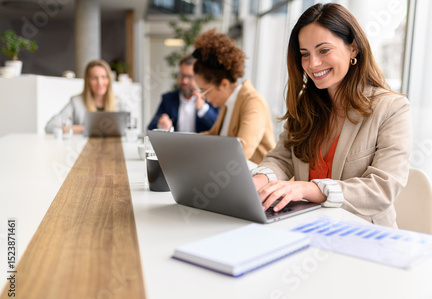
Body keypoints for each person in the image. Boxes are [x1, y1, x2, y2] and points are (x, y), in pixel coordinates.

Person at [252, 3, 412, 228]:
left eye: (324, 50)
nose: (313, 63)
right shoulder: (306, 106)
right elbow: (283, 158)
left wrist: (310, 189)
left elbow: (382, 189)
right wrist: (259, 180)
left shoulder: (392, 108)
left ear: (353, 48)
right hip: (307, 228)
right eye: (305, 54)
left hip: (364, 235)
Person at [192, 29, 276, 164]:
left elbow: (243, 150)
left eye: (204, 90)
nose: (203, 97)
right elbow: (214, 136)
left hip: (261, 181)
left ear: (224, 84)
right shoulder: (229, 103)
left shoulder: (253, 101)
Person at [45, 59, 129, 134]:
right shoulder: (76, 101)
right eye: (94, 78)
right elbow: (50, 126)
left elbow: (130, 128)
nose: (100, 83)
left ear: (109, 79)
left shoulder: (120, 101)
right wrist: (81, 129)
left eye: (104, 77)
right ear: (88, 81)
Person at [147, 55, 219, 133]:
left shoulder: (209, 98)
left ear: (198, 78)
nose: (184, 81)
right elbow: (150, 128)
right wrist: (160, 124)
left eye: (189, 77)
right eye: (182, 75)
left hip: (201, 145)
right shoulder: (168, 99)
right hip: (174, 145)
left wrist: (202, 109)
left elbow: (218, 129)